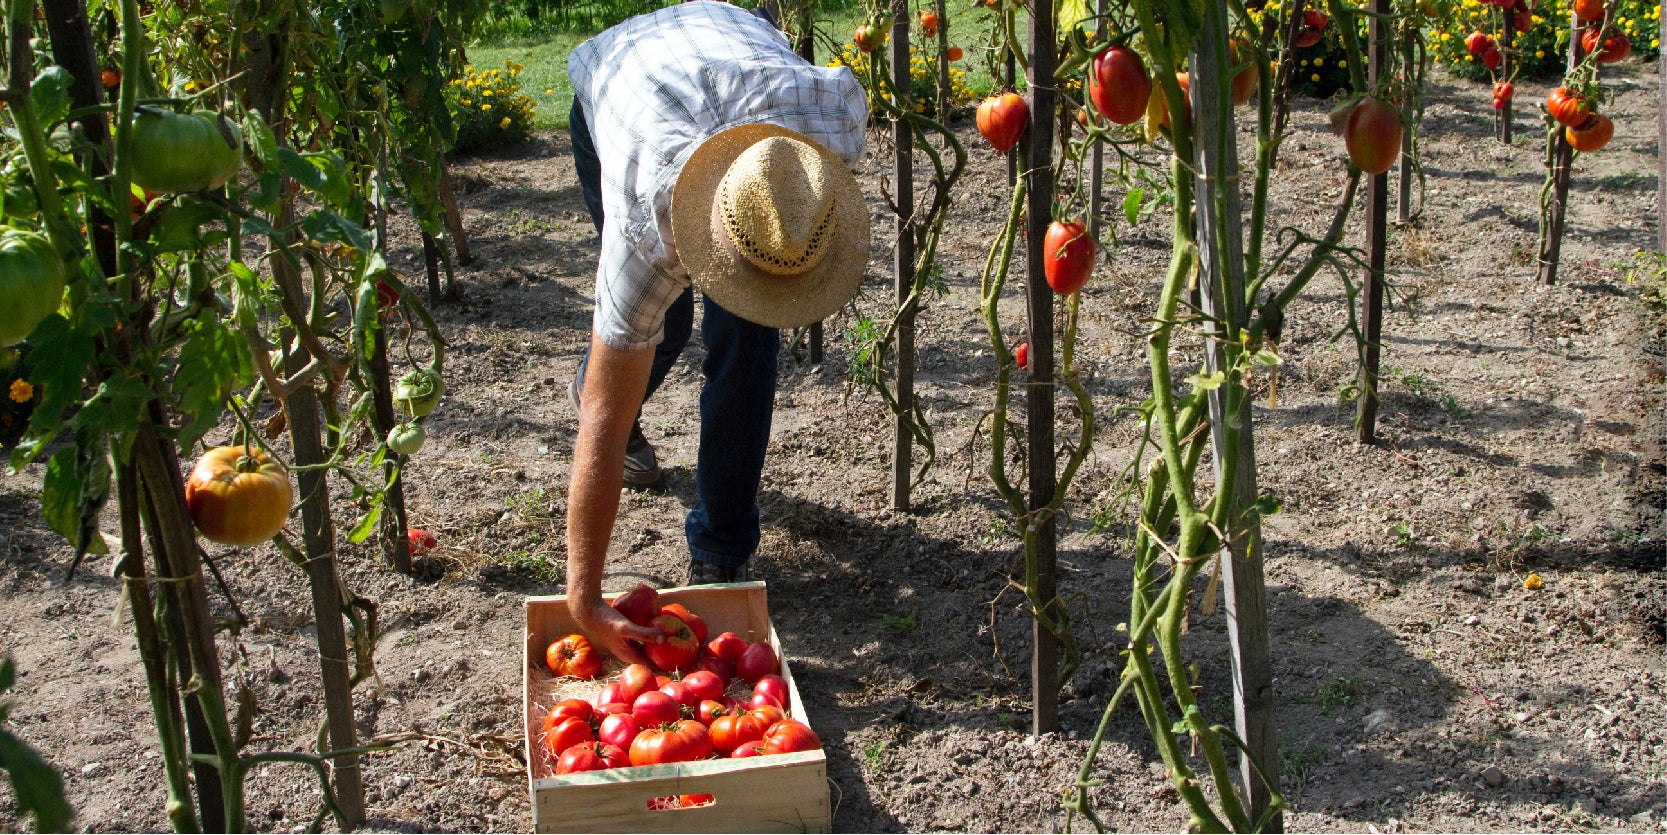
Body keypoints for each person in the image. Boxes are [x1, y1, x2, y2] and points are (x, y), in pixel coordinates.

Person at [563, 0, 870, 663]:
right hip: (621, 83)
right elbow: (601, 422)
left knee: (749, 344)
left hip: (730, 41)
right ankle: (604, 383)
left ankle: (720, 548)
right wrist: (583, 599)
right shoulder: (647, 226)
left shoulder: (828, 135)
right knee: (659, 330)